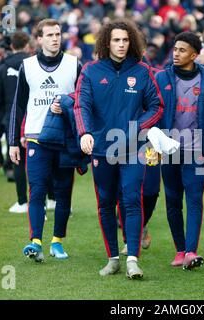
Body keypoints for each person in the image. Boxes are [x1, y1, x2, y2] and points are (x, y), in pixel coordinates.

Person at [74, 18, 163, 279]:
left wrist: (136, 130)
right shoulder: (90, 71)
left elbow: (156, 106)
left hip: (134, 148)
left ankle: (133, 259)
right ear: (106, 42)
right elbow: (82, 106)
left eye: (125, 40)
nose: (121, 44)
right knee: (105, 203)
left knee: (132, 198)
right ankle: (113, 259)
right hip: (102, 149)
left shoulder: (142, 71)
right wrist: (85, 133)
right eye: (116, 40)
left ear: (131, 41)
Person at [155, 31, 204, 270]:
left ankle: (191, 251)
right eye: (175, 49)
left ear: (195, 55)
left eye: (182, 50)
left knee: (195, 200)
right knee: (173, 201)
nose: (176, 54)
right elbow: (153, 112)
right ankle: (180, 250)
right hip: (169, 150)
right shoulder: (162, 78)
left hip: (198, 150)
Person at [9, 19, 82, 262]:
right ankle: (35, 241)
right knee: (37, 190)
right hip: (36, 139)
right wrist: (12, 141)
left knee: (63, 193)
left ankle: (57, 242)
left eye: (58, 34)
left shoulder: (74, 64)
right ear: (38, 39)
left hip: (64, 139)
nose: (55, 38)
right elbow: (18, 106)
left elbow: (83, 101)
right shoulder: (27, 66)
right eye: (49, 35)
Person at [0, 31, 30, 213]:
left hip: (13, 118)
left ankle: (22, 202)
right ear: (28, 45)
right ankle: (50, 200)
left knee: (18, 160)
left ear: (11, 46)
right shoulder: (35, 65)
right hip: (35, 118)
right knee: (44, 162)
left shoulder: (2, 68)